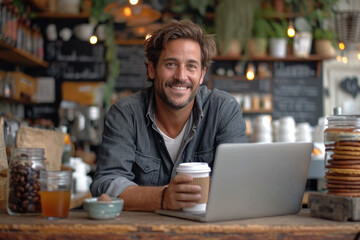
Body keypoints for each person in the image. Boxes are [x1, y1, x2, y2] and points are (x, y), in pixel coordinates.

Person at [90, 19, 248, 211]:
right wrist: (163, 197)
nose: (181, 76)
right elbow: (107, 183)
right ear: (151, 69)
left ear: (202, 75)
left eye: (191, 66)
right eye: (171, 64)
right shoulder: (125, 113)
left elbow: (239, 181)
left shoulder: (224, 109)